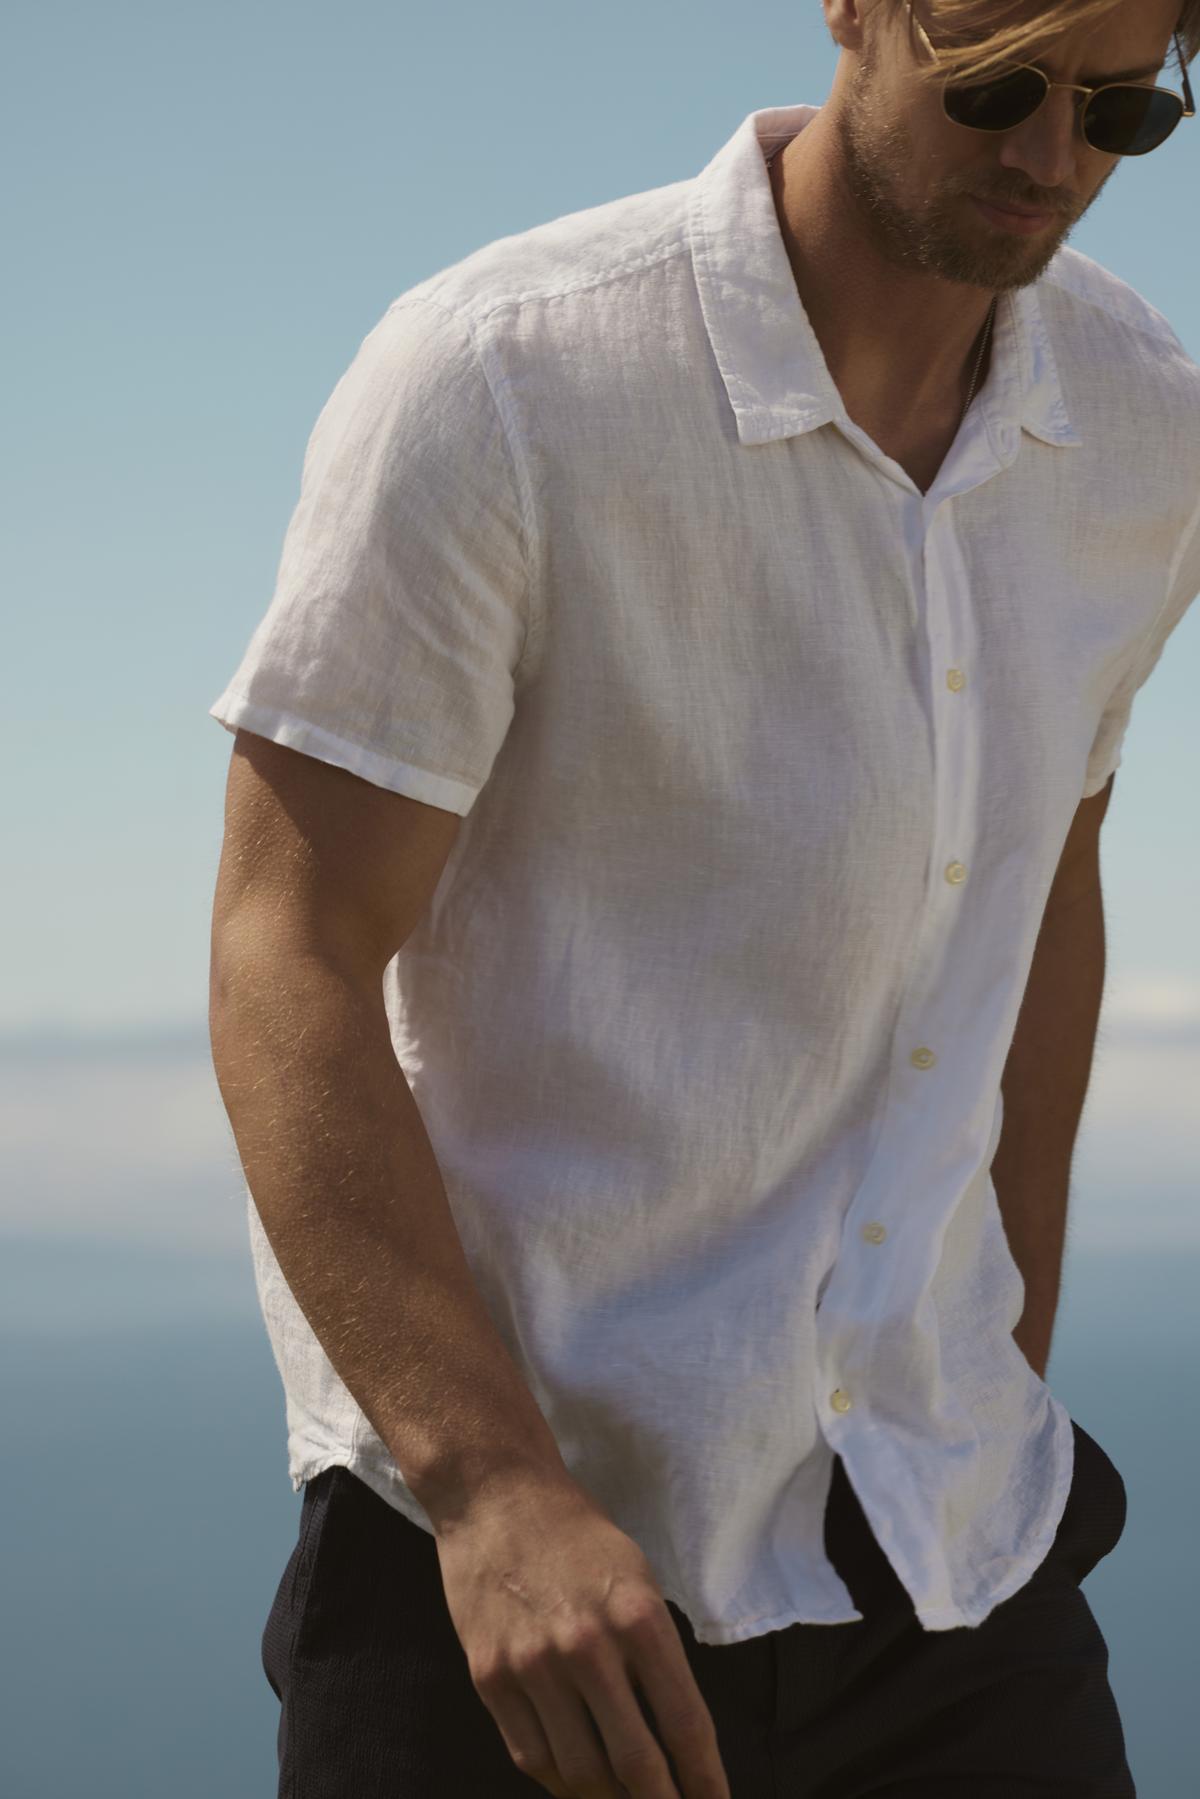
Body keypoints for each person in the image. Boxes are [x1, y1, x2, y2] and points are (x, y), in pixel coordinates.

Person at [208, 1, 1199, 1793]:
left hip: (959, 1549)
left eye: (1125, 109)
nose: (1055, 158)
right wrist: (491, 1483)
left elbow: (1048, 892)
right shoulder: (504, 376)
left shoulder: (1145, 437)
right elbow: (289, 943)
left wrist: (1008, 1360)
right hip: (517, 1588)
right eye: (995, 86)